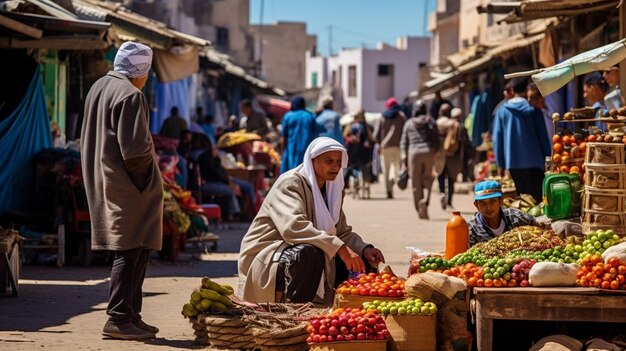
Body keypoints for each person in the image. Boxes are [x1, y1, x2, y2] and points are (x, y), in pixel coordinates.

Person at [238, 137, 385, 306]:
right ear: (312, 161)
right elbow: (293, 229)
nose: (335, 167)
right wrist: (340, 248)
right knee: (309, 253)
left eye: (338, 161)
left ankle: (342, 310)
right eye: (328, 161)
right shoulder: (291, 182)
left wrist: (364, 248)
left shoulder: (332, 189)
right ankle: (294, 312)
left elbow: (341, 232)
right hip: (267, 253)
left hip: (300, 248)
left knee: (358, 257)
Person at [81, 41, 162, 340]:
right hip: (126, 184)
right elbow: (136, 152)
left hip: (105, 178)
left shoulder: (99, 86)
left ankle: (131, 315)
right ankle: (117, 317)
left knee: (137, 247)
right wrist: (145, 185)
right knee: (129, 249)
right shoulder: (130, 94)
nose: (147, 77)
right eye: (147, 71)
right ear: (140, 70)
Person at [492, 78, 550, 203]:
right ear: (527, 90)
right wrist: (548, 158)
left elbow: (497, 139)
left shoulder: (502, 110)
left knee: (523, 199)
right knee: (538, 199)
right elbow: (543, 136)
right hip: (536, 162)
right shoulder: (535, 110)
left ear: (512, 90)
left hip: (513, 162)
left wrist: (500, 164)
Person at [400, 100, 438, 219]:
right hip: (428, 152)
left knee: (416, 182)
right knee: (428, 179)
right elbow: (437, 138)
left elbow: (404, 142)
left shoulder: (409, 123)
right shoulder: (430, 121)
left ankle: (419, 207)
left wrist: (404, 159)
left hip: (413, 153)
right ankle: (425, 201)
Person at [468, 180, 536, 247]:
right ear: (476, 205)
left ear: (500, 201)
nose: (488, 207)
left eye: (493, 201)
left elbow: (539, 224)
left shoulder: (517, 217)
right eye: (483, 203)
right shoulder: (471, 228)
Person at [280, 96, 324, 173]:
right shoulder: (310, 116)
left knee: (290, 172)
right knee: (305, 172)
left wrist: (283, 151)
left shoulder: (288, 116)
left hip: (291, 148)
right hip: (306, 149)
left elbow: (284, 136)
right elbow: (319, 130)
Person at [375, 97, 406, 199]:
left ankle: (388, 190)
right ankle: (393, 178)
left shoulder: (382, 117)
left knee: (386, 169)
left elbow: (377, 133)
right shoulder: (401, 116)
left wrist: (378, 145)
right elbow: (405, 132)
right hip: (398, 146)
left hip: (385, 147)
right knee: (396, 166)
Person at [436, 105, 465, 210]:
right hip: (452, 155)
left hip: (440, 154)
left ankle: (442, 193)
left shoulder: (437, 123)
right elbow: (460, 140)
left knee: (441, 176)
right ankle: (449, 201)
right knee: (451, 179)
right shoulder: (454, 124)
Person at [343, 109, 375, 190]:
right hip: (363, 152)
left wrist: (351, 139)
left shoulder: (350, 125)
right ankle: (365, 183)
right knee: (364, 168)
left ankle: (355, 182)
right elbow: (371, 138)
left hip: (353, 151)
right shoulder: (365, 125)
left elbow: (345, 136)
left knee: (353, 167)